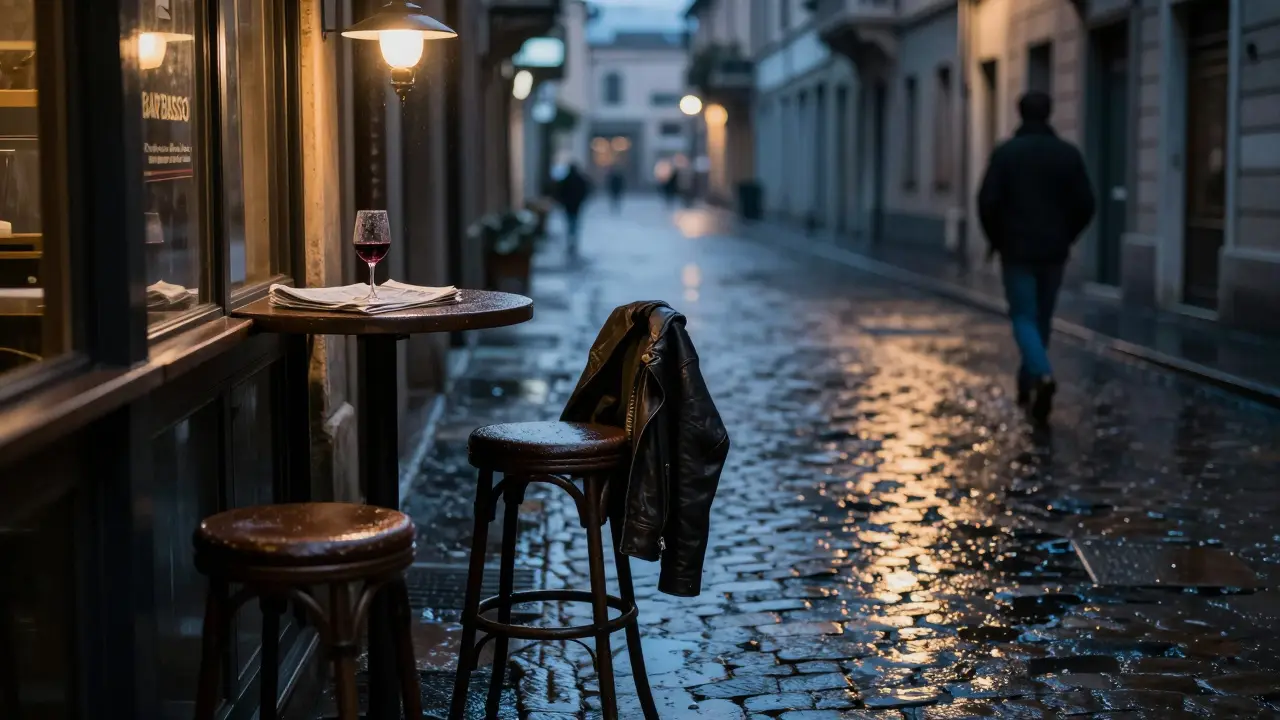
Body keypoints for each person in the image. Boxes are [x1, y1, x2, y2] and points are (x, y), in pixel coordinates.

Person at [977, 91, 1095, 423]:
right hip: (1053, 251)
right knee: (1041, 318)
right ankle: (1028, 380)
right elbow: (1087, 203)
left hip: (1016, 251)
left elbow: (986, 202)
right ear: (1049, 113)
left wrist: (997, 239)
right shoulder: (1067, 155)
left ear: (1020, 113)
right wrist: (1067, 235)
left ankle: (1040, 374)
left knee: (1024, 317)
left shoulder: (1006, 154)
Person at [554, 162, 591, 257]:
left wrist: (562, 201)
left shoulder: (566, 179)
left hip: (568, 205)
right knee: (574, 223)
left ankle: (570, 241)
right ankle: (573, 241)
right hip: (576, 205)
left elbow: (560, 191)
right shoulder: (579, 179)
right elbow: (585, 190)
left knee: (570, 223)